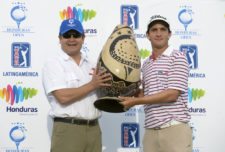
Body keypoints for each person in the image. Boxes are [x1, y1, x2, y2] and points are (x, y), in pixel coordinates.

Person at [119, 15, 192, 152]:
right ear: (148, 35)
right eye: (154, 30)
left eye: (163, 29)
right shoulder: (146, 63)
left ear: (169, 34)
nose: (158, 33)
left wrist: (135, 102)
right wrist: (119, 84)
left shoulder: (178, 57)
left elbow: (172, 95)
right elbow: (145, 95)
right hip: (151, 131)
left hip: (174, 128)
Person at [42, 18, 111, 152]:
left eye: (76, 35)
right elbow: (62, 97)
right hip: (68, 130)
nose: (72, 39)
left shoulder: (92, 63)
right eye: (67, 35)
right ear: (60, 38)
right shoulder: (53, 63)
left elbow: (102, 95)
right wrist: (93, 84)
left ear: (83, 38)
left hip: (94, 129)